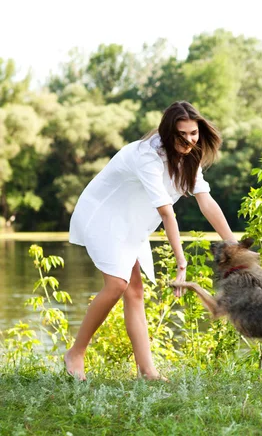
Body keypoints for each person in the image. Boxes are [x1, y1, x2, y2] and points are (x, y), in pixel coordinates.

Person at [65, 101, 236, 381]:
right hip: (104, 215)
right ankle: (76, 352)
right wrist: (181, 261)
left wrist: (232, 243)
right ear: (167, 132)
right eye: (181, 134)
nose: (189, 140)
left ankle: (147, 371)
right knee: (117, 285)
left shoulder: (189, 157)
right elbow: (167, 213)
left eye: (193, 133)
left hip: (131, 221)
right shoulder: (147, 155)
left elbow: (207, 203)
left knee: (134, 291)